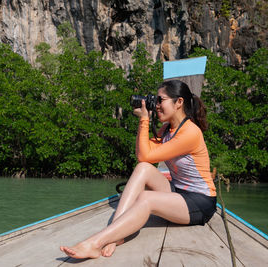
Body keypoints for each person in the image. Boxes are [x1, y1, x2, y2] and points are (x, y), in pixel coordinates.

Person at [60, 80, 217, 259]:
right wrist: (143, 122)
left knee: (146, 198)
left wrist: (144, 120)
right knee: (143, 168)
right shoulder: (167, 129)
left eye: (160, 100)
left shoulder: (191, 132)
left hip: (200, 201)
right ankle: (115, 233)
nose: (156, 105)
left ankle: (94, 243)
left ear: (179, 102)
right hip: (179, 192)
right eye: (155, 101)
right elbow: (142, 155)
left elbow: (146, 155)